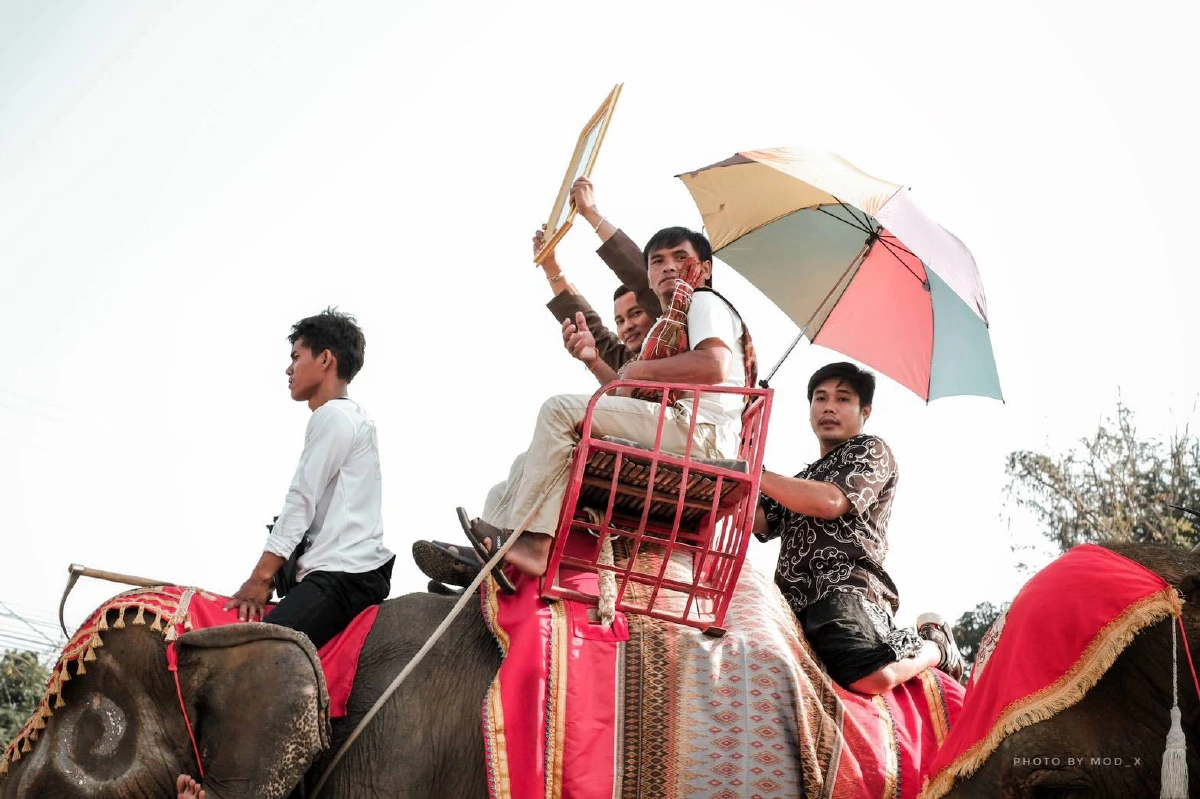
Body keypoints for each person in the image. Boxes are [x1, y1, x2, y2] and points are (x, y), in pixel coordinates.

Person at [463, 225, 753, 579]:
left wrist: (637, 370)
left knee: (559, 410)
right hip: (675, 425)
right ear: (647, 274)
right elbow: (624, 395)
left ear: (704, 269)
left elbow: (714, 365)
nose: (668, 267)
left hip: (697, 431)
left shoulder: (703, 301)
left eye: (680, 257)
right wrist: (604, 364)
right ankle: (488, 566)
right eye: (657, 261)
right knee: (523, 467)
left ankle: (533, 542)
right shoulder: (668, 331)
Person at [754, 362, 964, 694]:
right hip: (792, 600)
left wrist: (758, 473)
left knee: (870, 674)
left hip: (846, 587)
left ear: (865, 411)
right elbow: (760, 519)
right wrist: (737, 453)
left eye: (843, 399)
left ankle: (935, 645)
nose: (829, 407)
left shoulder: (871, 451)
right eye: (820, 398)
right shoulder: (800, 479)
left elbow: (829, 502)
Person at [223, 308, 395, 648]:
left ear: (326, 359)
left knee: (251, 653)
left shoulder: (334, 417)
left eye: (296, 357)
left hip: (342, 576)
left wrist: (259, 578)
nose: (288, 369)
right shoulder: (351, 417)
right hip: (347, 572)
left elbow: (300, 502)